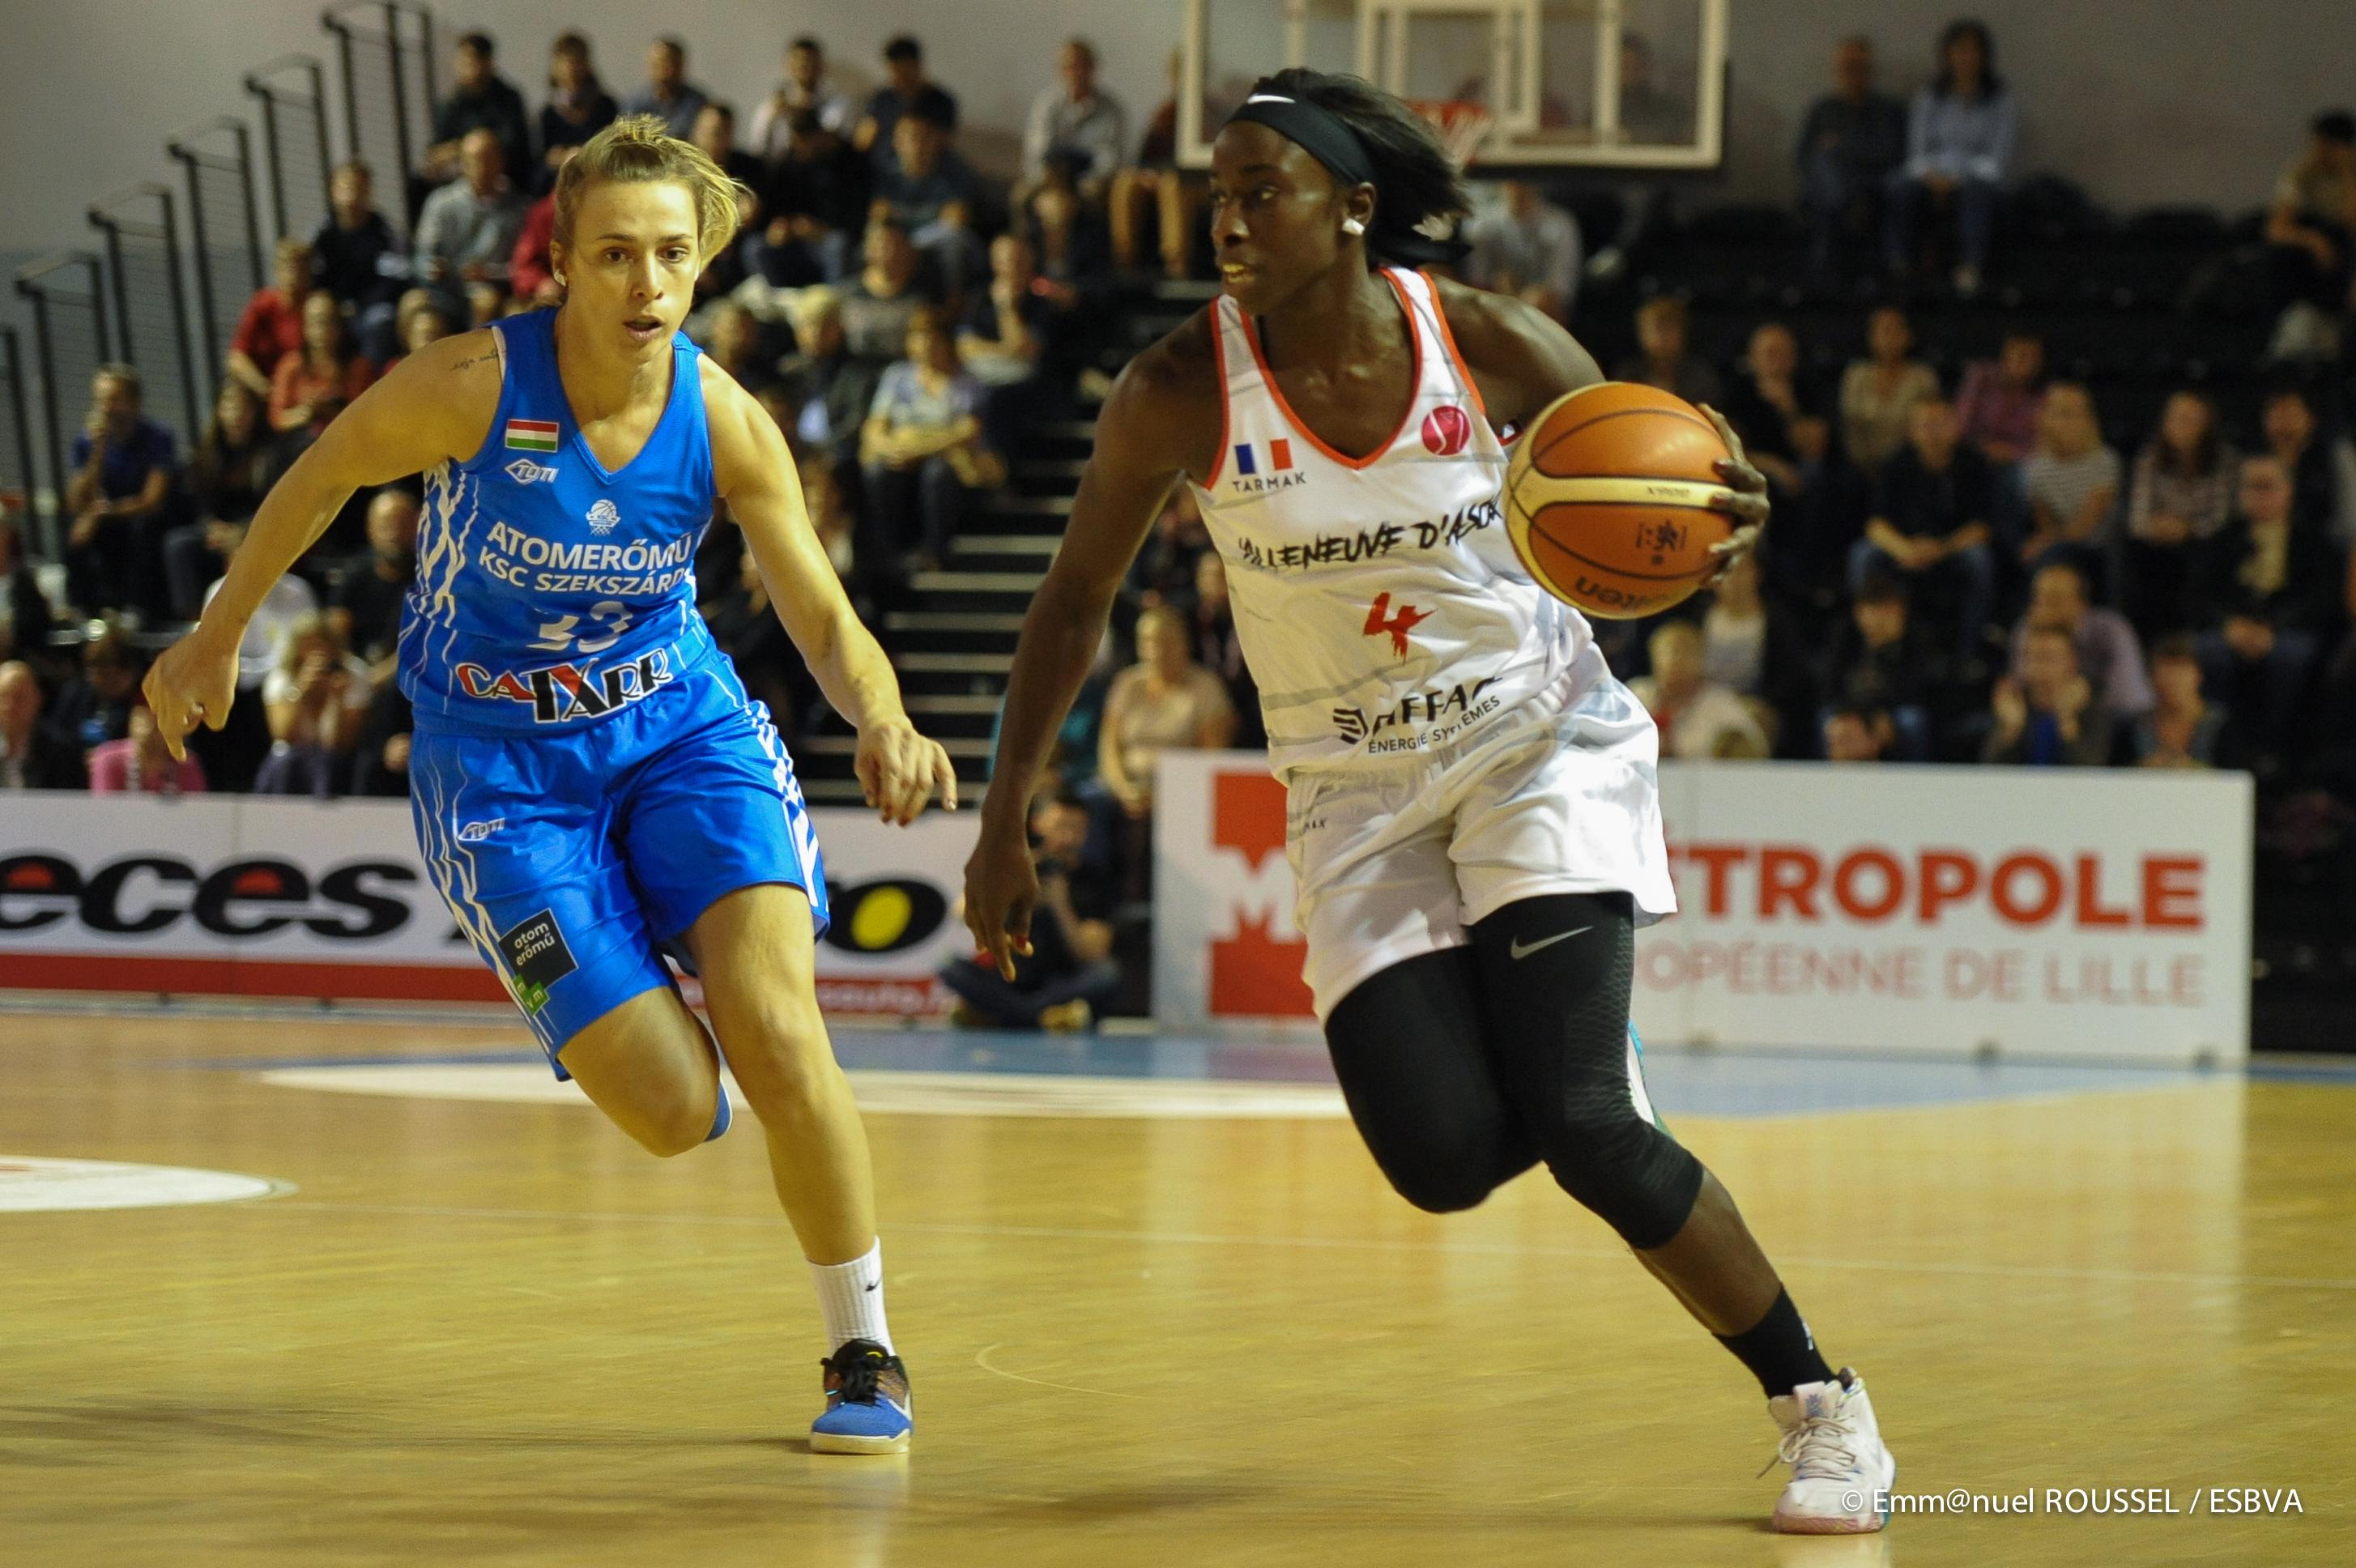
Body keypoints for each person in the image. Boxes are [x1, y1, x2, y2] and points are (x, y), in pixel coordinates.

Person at [960, 68, 1891, 1535]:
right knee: (1446, 1161)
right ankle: (1561, 1053)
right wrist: (1005, 810)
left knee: (1588, 1127)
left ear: (1351, 206)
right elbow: (1076, 594)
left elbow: (1665, 471)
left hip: (1537, 744)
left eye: (1259, 190)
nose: (1229, 219)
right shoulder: (1176, 388)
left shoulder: (1487, 339)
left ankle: (1820, 1404)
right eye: (1217, 194)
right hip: (1350, 795)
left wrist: (1722, 500)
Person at [143, 115, 956, 1452]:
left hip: (678, 729)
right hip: (498, 769)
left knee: (773, 1024)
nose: (646, 284)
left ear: (699, 273)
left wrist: (882, 714)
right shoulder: (469, 383)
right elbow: (320, 472)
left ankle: (863, 1352)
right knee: (675, 1111)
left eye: (671, 259)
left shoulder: (724, 418)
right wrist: (219, 631)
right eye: (617, 255)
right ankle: (616, 955)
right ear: (562, 267)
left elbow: (815, 606)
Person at [2189, 454, 2341, 775]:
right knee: (2210, 653)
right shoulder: (2223, 538)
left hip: (2288, 627)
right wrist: (2230, 624)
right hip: (2233, 627)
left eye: (2267, 486)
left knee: (2291, 657)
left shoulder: (2311, 540)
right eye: (2251, 487)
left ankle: (2274, 750)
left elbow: (2321, 597)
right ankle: (2217, 745)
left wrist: (2274, 628)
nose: (2259, 495)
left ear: (2288, 491)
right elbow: (2200, 595)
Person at [938, 790, 1119, 1031]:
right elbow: (962, 912)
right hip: (1011, 977)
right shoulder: (1016, 867)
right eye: (1061, 826)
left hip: (1062, 981)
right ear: (1039, 824)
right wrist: (1008, 890)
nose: (1068, 837)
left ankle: (1004, 1016)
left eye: (1077, 829)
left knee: (1106, 975)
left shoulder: (1095, 879)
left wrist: (1060, 903)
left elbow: (1092, 953)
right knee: (950, 966)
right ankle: (1045, 1017)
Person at [1854, 395, 1996, 661]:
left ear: (1955, 427)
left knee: (1979, 560)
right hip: (1904, 550)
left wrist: (1942, 549)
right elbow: (1875, 524)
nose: (1933, 432)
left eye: (1940, 424)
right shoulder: (1896, 464)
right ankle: (1870, 648)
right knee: (1863, 555)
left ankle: (1969, 654)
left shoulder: (1974, 464)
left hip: (1952, 550)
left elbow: (1981, 528)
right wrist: (1905, 549)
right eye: (1925, 425)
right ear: (1912, 431)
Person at [859, 308, 993, 578]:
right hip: (903, 459)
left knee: (937, 473)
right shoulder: (897, 377)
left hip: (948, 463)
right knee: (877, 473)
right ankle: (893, 554)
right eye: (918, 339)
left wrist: (917, 447)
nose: (926, 347)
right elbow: (874, 429)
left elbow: (966, 432)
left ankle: (936, 551)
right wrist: (892, 448)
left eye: (932, 340)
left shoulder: (966, 383)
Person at [1886, 18, 2014, 295]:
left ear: (1984, 56)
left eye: (1973, 50)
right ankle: (1900, 264)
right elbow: (1918, 151)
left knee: (1976, 191)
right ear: (1947, 55)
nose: (1966, 57)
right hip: (1932, 174)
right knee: (1900, 186)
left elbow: (1997, 158)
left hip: (1976, 177)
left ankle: (1971, 266)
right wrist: (1933, 178)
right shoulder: (1929, 96)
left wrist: (1957, 180)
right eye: (1960, 50)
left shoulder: (2000, 100)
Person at [62, 364, 176, 620]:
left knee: (142, 528)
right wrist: (98, 450)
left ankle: (138, 611)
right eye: (100, 400)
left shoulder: (158, 437)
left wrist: (106, 511)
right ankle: (81, 609)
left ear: (134, 403)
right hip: (105, 517)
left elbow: (152, 499)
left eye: (114, 399)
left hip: (142, 517)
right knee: (74, 527)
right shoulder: (87, 442)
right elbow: (77, 500)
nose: (106, 408)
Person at [2124, 390, 2237, 636]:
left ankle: (2197, 634)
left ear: (2207, 425)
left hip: (2203, 543)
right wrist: (2157, 527)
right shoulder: (2149, 458)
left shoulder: (2224, 460)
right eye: (2177, 418)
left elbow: (2221, 517)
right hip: (2156, 543)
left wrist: (2187, 529)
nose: (2183, 425)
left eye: (2191, 419)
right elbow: (2137, 518)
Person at [1796, 36, 1906, 281]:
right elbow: (1804, 157)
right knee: (1825, 165)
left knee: (1831, 161)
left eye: (1858, 67)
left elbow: (1891, 154)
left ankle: (1844, 203)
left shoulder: (1887, 111)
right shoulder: (1822, 110)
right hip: (1829, 192)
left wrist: (1842, 148)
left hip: (1872, 187)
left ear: (1869, 71)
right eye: (1846, 67)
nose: (1851, 74)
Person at [164, 381, 274, 620]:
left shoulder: (271, 452)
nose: (237, 415)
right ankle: (193, 624)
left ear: (255, 413)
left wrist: (242, 531)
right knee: (178, 545)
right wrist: (211, 527)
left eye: (244, 408)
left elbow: (274, 504)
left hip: (257, 531)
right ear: (219, 410)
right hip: (218, 533)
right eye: (230, 406)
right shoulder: (207, 452)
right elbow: (201, 504)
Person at [2009, 560, 2152, 723]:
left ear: (2081, 605)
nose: (2042, 609)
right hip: (2049, 720)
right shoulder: (2027, 629)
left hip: (2111, 725)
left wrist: (2085, 703)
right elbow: (2019, 692)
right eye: (2038, 599)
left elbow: (2129, 702)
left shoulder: (2111, 631)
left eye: (2054, 599)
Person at [413, 129, 530, 325]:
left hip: (494, 289)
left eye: (487, 159)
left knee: (485, 300)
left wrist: (490, 272)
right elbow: (421, 257)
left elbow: (524, 265)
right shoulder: (441, 202)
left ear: (501, 162)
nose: (480, 167)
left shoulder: (520, 208)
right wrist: (433, 268)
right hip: (446, 288)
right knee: (413, 303)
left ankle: (473, 355)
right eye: (472, 160)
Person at [2263, 111, 2356, 331]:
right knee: (2277, 257)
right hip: (2314, 244)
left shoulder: (2350, 173)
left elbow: (2351, 221)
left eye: (2326, 146)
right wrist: (2313, 240)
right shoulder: (2302, 173)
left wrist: (2346, 172)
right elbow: (2276, 229)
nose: (2318, 152)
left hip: (2347, 244)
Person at [2016, 381, 2120, 572]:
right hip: (2059, 546)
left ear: (2089, 419)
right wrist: (2045, 541)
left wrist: (2045, 543)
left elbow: (2085, 528)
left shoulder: (2105, 461)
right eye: (2062, 413)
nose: (2069, 422)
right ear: (2046, 418)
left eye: (2076, 414)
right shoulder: (2035, 468)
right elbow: (2045, 524)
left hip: (2100, 549)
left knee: (2051, 554)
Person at [1630, 619, 1769, 760]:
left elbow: (1753, 747)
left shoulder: (1720, 702)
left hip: (1703, 778)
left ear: (1701, 659)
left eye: (1684, 651)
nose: (1674, 659)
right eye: (1667, 651)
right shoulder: (1636, 694)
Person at [1983, 624, 2117, 766]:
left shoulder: (2094, 706)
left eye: (2049, 658)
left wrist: (2067, 720)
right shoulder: (2014, 703)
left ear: (2071, 663)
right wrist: (2011, 729)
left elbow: (2092, 771)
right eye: (2032, 658)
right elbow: (1988, 773)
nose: (2040, 668)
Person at [1020, 39, 1127, 210]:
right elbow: (1037, 151)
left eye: (1083, 66)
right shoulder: (1047, 105)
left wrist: (1090, 181)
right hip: (1053, 177)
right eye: (1071, 67)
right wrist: (1047, 179)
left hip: (1091, 180)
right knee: (1026, 198)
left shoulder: (1111, 109)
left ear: (1093, 68)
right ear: (1061, 71)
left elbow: (1110, 156)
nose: (1077, 73)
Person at [1718, 322, 1821, 495]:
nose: (1779, 361)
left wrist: (1789, 410)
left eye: (1785, 353)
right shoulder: (1738, 393)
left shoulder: (1806, 389)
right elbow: (1731, 450)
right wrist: (1774, 467)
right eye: (1771, 353)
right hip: (1757, 467)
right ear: (1753, 358)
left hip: (1800, 468)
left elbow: (1814, 451)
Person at [1461, 181, 1582, 323]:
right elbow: (1476, 289)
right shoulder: (1481, 227)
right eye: (1512, 180)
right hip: (1495, 320)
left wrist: (1514, 297)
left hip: (1542, 323)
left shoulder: (1560, 225)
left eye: (1525, 180)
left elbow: (1557, 295)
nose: (1519, 186)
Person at [424, 32, 533, 189]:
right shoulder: (450, 103)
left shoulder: (508, 99)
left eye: (474, 59)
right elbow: (437, 150)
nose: (469, 66)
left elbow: (511, 144)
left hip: (503, 178)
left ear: (488, 62)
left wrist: (464, 148)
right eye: (464, 60)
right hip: (459, 178)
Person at [330, 488, 420, 677]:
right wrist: (356, 673)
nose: (394, 534)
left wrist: (377, 679)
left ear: (417, 526)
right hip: (354, 674)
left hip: (405, 676)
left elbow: (424, 640)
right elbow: (337, 631)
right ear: (370, 530)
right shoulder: (355, 573)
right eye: (386, 526)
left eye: (402, 525)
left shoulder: (430, 578)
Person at [270, 291, 378, 443]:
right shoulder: (291, 365)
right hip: (303, 448)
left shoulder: (359, 367)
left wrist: (329, 410)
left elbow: (367, 416)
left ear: (339, 325)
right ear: (305, 327)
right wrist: (305, 413)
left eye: (328, 321)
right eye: (315, 322)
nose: (322, 330)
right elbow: (277, 417)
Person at [1838, 305, 1938, 471]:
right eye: (1884, 331)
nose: (1889, 338)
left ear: (1908, 336)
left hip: (1912, 466)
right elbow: (1850, 425)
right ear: (1871, 337)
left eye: (1896, 331)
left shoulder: (1923, 376)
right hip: (1861, 464)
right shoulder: (1856, 374)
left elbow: (1928, 426)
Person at [226, 239, 317, 399]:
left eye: (299, 268)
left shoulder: (315, 308)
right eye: (287, 267)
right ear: (277, 271)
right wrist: (263, 387)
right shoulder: (262, 305)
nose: (293, 275)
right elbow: (237, 358)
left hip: (299, 392)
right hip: (263, 391)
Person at [2128, 633, 2229, 769]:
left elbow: (2239, 777)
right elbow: (2111, 775)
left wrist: (2193, 770)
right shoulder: (2133, 728)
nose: (2174, 680)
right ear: (2151, 678)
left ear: (2198, 675)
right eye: (2166, 672)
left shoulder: (2224, 727)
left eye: (2181, 672)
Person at [750, 36, 857, 161]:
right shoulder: (772, 106)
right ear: (788, 66)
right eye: (800, 62)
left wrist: (802, 114)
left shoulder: (839, 103)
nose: (805, 67)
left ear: (821, 65)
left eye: (811, 62)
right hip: (782, 172)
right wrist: (775, 117)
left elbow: (838, 142)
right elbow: (758, 147)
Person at [538, 32, 620, 190]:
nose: (572, 69)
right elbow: (541, 163)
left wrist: (584, 155)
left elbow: (614, 152)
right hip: (559, 187)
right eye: (566, 62)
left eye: (577, 62)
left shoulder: (606, 106)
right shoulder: (549, 113)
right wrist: (556, 159)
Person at [856, 36, 958, 160]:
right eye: (895, 71)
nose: (900, 78)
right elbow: (865, 138)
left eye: (905, 71)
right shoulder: (882, 99)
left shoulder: (941, 102)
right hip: (881, 169)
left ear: (918, 66)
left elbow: (939, 144)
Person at [1951, 330, 2043, 467]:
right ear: (2005, 356)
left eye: (2031, 357)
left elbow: (2042, 442)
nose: (2024, 362)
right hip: (1972, 453)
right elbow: (1961, 421)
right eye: (2020, 355)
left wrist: (2014, 453)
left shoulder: (2043, 395)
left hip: (2019, 464)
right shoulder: (1982, 377)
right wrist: (1982, 448)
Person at [1613, 295, 1720, 407]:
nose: (1664, 336)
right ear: (1642, 333)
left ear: (1683, 332)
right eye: (1657, 328)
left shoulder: (1701, 376)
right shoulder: (1628, 374)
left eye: (1670, 328)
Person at [0, 660, 87, 790]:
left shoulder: (63, 753)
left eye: (18, 697)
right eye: (3, 697)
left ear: (37, 699)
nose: (10, 706)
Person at [89, 701, 207, 794]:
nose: (150, 726)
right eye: (143, 716)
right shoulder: (108, 759)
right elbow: (106, 813)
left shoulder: (186, 763)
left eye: (159, 718)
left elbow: (195, 814)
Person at [621, 36, 709, 142]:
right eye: (657, 64)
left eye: (669, 63)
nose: (664, 70)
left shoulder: (697, 103)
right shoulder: (634, 103)